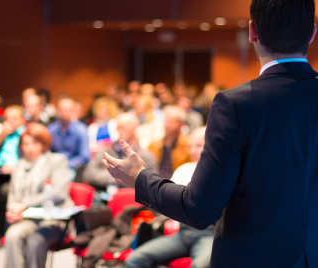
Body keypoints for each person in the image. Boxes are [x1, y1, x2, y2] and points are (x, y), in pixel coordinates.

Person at [103, 0, 318, 267]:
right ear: (312, 33)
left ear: (252, 32)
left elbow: (199, 208)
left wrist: (139, 178)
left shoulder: (237, 105)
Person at [127, 127, 214, 268]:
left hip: (208, 234)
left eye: (198, 146)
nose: (192, 151)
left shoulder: (219, 174)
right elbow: (166, 200)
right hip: (183, 232)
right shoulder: (184, 169)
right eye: (190, 146)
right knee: (135, 259)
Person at [4, 123, 74, 268]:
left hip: (52, 219)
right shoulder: (19, 165)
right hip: (27, 218)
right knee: (12, 235)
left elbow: (58, 193)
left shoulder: (56, 161)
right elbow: (12, 194)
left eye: (35, 143)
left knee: (35, 241)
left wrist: (24, 204)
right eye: (26, 144)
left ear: (44, 144)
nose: (30, 148)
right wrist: (12, 211)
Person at [83, 113, 157, 190]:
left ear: (135, 127)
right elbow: (88, 174)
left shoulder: (146, 156)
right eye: (117, 127)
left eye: (122, 127)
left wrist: (116, 174)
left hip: (131, 199)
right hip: (103, 196)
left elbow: (152, 183)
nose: (118, 130)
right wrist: (115, 175)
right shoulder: (106, 151)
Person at [48, 97, 90, 177]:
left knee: (63, 177)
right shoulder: (51, 129)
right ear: (57, 111)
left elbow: (84, 156)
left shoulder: (81, 130)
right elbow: (46, 151)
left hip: (71, 167)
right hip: (53, 165)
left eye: (68, 110)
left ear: (73, 111)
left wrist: (66, 164)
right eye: (62, 110)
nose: (65, 112)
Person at [148, 105, 191, 179]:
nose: (166, 124)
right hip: (156, 182)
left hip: (177, 183)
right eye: (165, 120)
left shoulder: (188, 144)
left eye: (171, 121)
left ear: (180, 124)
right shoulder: (154, 145)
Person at [0, 106, 26, 173]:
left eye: (15, 118)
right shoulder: (1, 132)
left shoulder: (26, 133)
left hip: (18, 170)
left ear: (23, 120)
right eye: (7, 118)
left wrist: (16, 166)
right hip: (0, 169)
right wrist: (2, 136)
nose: (11, 121)